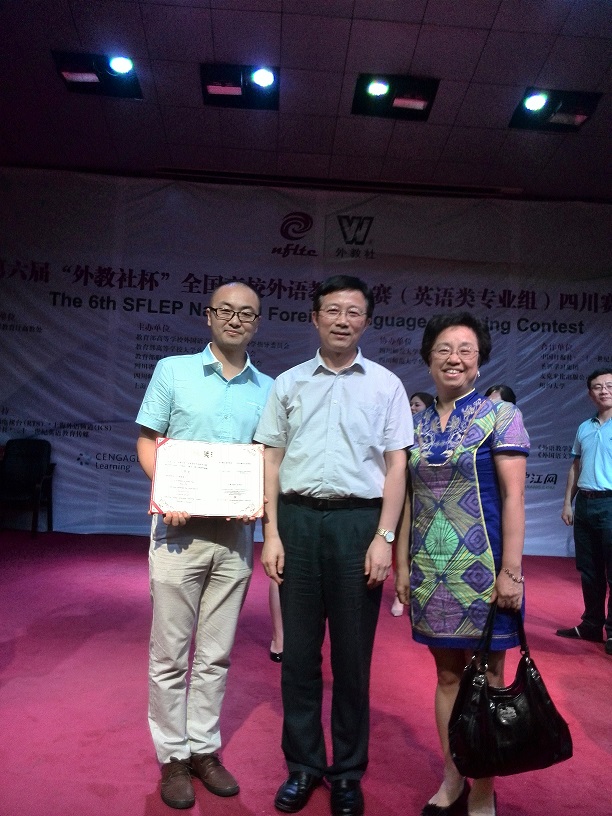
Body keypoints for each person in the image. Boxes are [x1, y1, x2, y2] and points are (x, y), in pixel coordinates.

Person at [255, 274, 413, 816]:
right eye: (333, 311)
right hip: (297, 521)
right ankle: (303, 766)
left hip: (358, 525)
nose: (342, 320)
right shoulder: (289, 383)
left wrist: (384, 538)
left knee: (352, 658)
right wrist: (271, 533)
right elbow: (271, 459)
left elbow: (397, 467)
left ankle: (347, 772)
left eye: (353, 312)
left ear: (366, 321)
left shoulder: (386, 385)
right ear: (315, 318)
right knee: (298, 656)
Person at [135, 281, 273, 809]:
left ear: (257, 323)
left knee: (215, 654)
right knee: (169, 654)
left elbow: (267, 459)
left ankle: (203, 750)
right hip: (178, 534)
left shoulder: (268, 388)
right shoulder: (174, 371)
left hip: (235, 537)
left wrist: (257, 499)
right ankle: (173, 756)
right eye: (226, 311)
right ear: (209, 316)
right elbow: (147, 439)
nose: (236, 320)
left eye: (247, 313)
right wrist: (167, 490)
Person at [395, 312, 530, 816]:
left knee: (489, 679)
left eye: (465, 350)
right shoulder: (413, 422)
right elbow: (407, 500)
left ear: (479, 360)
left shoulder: (501, 416)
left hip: (486, 570)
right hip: (431, 571)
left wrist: (511, 572)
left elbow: (514, 498)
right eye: (444, 349)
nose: (454, 358)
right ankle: (453, 777)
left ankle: (484, 789)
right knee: (448, 677)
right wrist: (403, 565)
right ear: (428, 357)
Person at [556, 368, 612, 655]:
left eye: (609, 385)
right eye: (597, 387)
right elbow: (576, 466)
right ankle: (591, 624)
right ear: (590, 394)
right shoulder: (584, 427)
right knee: (589, 570)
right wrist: (568, 502)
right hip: (586, 504)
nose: (604, 390)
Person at [390, 391, 435, 616]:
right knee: (402, 543)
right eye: (410, 404)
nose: (412, 408)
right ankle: (399, 590)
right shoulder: (405, 430)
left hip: (429, 503)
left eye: (417, 405)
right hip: (406, 496)